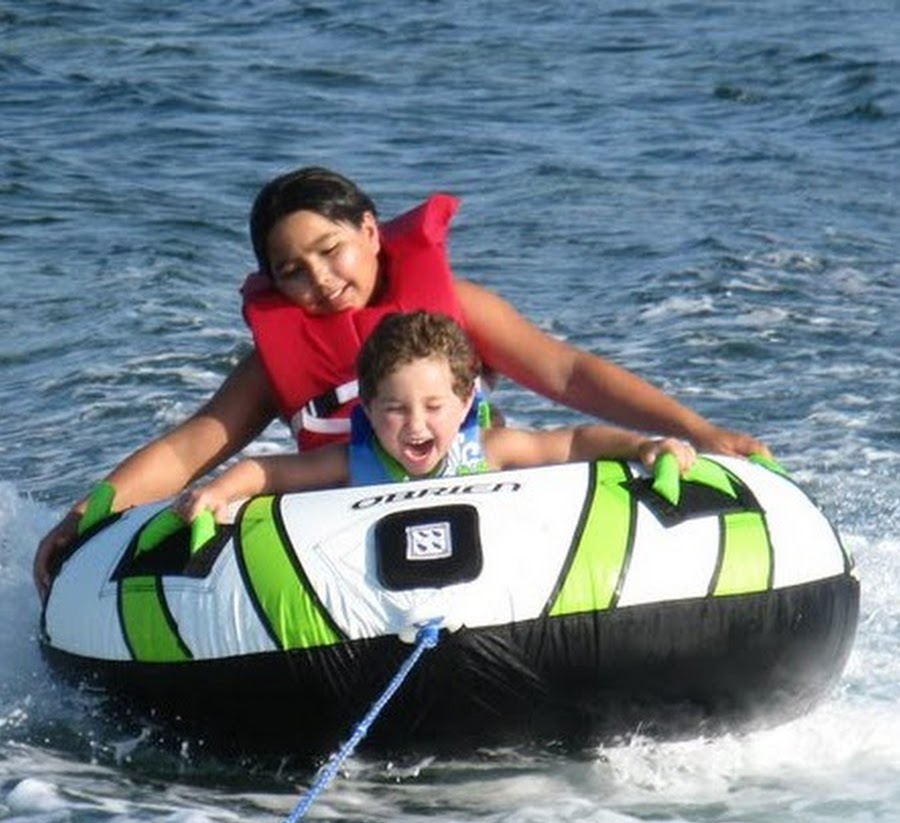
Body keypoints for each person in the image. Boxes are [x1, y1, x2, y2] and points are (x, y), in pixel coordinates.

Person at [34, 166, 768, 600]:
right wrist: (86, 514)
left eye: (332, 250)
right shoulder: (276, 363)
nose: (321, 280)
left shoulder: (459, 309)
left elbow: (568, 375)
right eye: (293, 271)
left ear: (370, 230)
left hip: (490, 523)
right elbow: (193, 446)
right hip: (344, 554)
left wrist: (695, 432)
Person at [173, 312, 696, 521]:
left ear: (466, 403)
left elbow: (574, 442)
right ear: (368, 408)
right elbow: (269, 472)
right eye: (395, 408)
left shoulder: (487, 448)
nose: (416, 425)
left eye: (434, 407)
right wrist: (219, 492)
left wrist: (642, 446)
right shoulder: (353, 462)